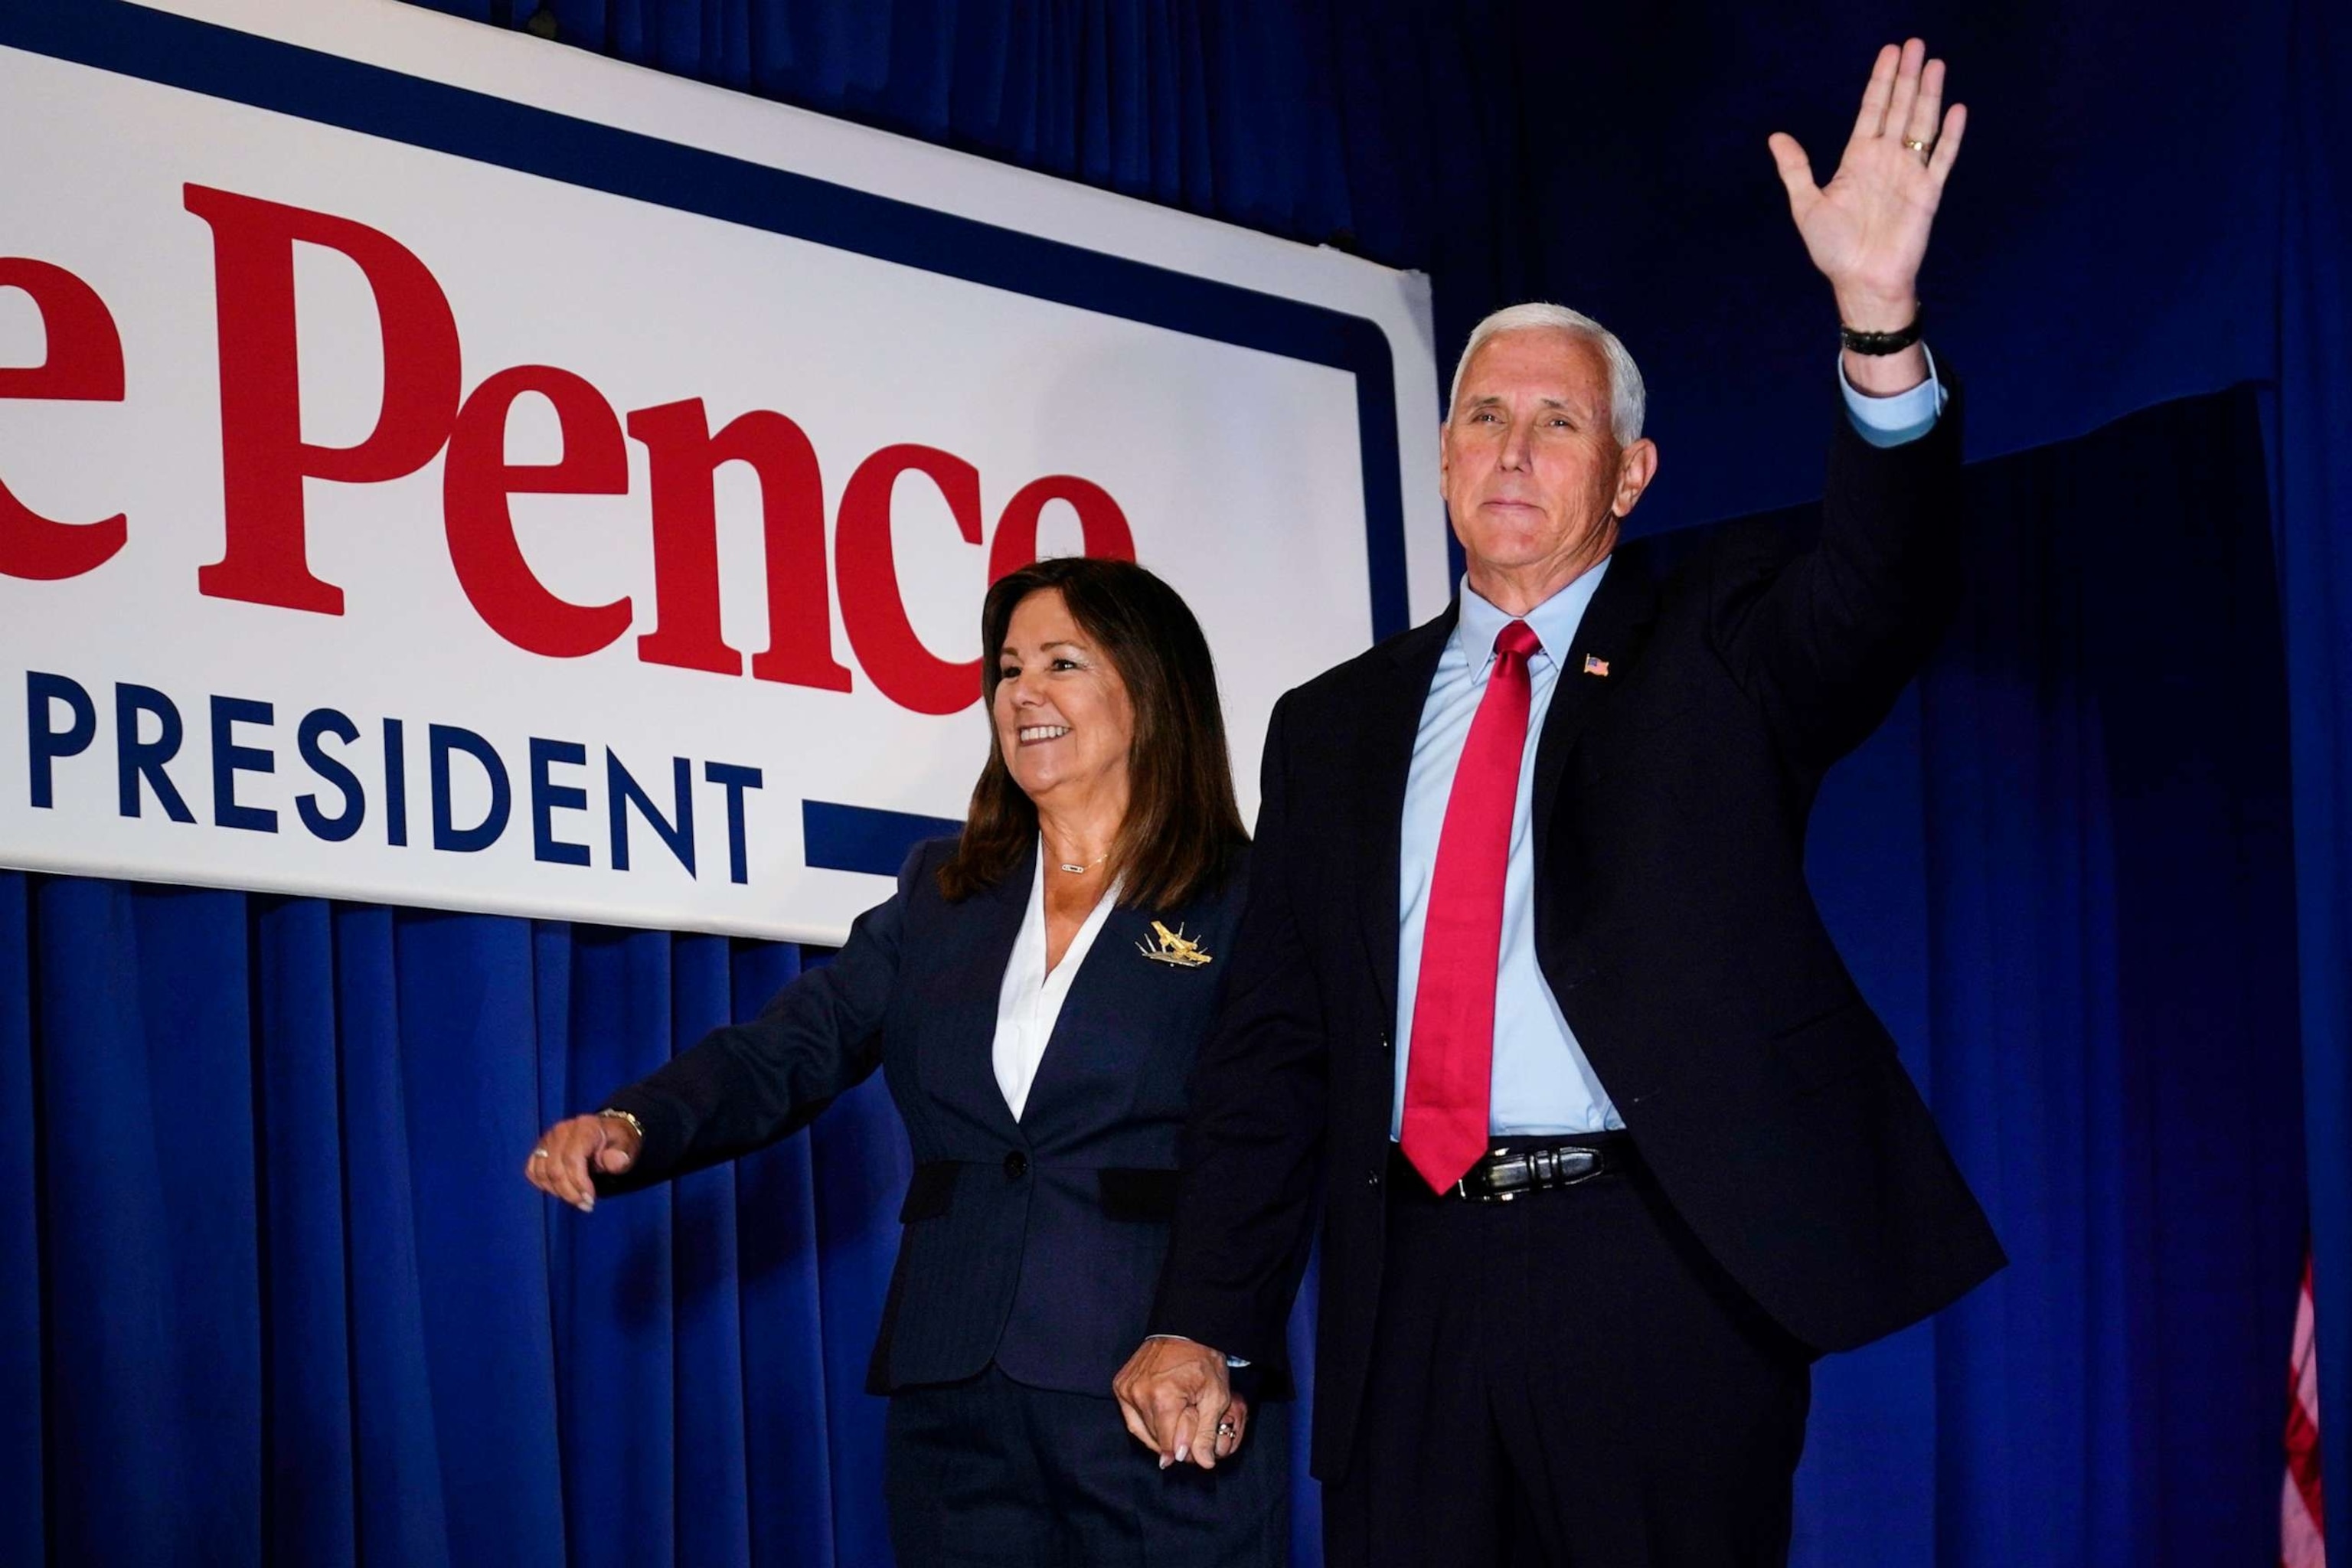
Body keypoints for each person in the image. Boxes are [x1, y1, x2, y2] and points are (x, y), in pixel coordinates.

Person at [1114, 38, 2000, 1566]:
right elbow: (1274, 1049)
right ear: (1444, 449)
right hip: (1410, 1284)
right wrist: (1206, 1315)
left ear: (1634, 472)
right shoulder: (1331, 726)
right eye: (1483, 417)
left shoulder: (1716, 637)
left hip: (1654, 1267)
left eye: (1559, 424)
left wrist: (1877, 329)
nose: (1513, 451)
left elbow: (1880, 591)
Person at [526, 555, 1286, 1566]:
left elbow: (1275, 1143)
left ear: (1152, 689)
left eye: (1063, 662)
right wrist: (636, 1122)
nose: (1024, 693)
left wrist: (1207, 1329)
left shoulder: (1247, 898)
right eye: (1009, 668)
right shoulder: (943, 891)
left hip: (1161, 1388)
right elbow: (791, 1046)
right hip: (952, 1397)